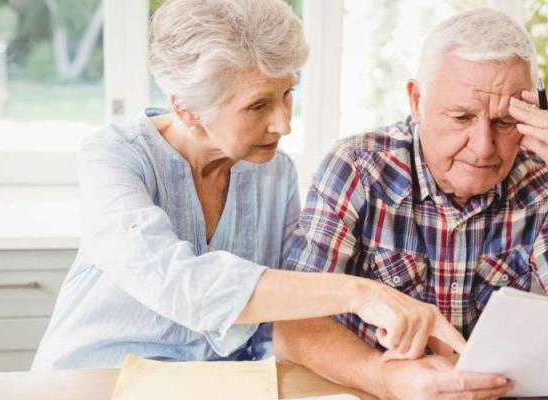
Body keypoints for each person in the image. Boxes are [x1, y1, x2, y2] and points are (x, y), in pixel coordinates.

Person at [31, 0, 463, 371]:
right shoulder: (114, 156)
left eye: (287, 93)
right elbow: (180, 285)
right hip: (94, 379)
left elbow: (277, 313)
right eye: (258, 105)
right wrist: (361, 294)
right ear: (187, 108)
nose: (284, 123)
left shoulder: (274, 171)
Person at [274, 8, 548, 400]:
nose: (483, 147)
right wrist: (386, 379)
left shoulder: (542, 179)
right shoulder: (358, 166)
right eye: (461, 117)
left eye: (504, 122)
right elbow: (292, 326)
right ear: (417, 100)